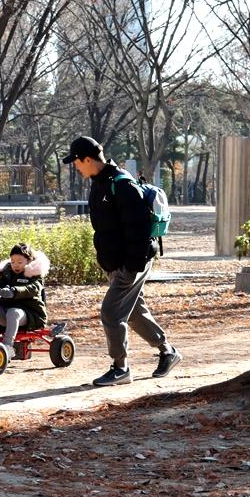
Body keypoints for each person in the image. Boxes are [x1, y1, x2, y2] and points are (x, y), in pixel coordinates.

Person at [61, 136, 180, 386]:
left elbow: (139, 229)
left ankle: (120, 367)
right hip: (115, 263)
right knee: (134, 312)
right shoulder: (98, 183)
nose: (76, 167)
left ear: (88, 159)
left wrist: (131, 267)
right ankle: (168, 351)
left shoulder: (122, 184)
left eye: (77, 162)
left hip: (132, 262)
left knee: (111, 312)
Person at [0, 243, 49, 357]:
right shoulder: (7, 273)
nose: (15, 265)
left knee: (13, 312)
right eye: (13, 262)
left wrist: (14, 291)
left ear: (29, 261)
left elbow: (31, 289)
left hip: (31, 314)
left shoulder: (35, 276)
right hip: (6, 313)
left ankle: (8, 346)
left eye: (19, 262)